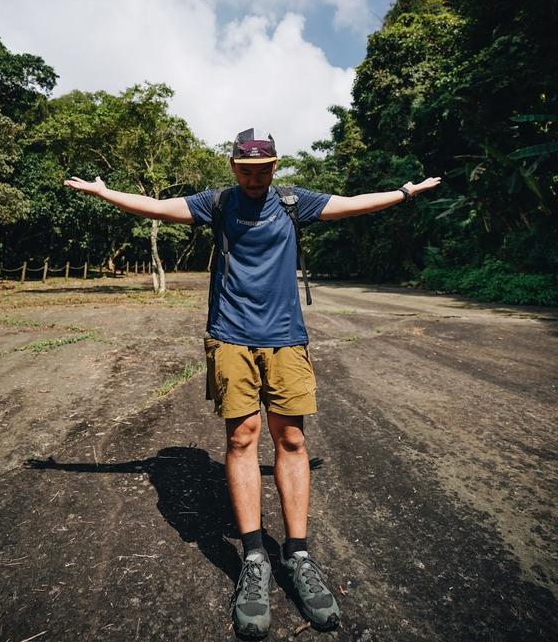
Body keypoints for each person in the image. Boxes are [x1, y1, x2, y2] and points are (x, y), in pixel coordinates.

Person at [65, 127, 441, 639]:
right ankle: (255, 557)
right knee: (241, 439)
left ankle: (299, 556)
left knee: (291, 439)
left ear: (275, 167)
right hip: (230, 339)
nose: (255, 176)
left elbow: (353, 204)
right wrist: (106, 193)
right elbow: (157, 207)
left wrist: (404, 192)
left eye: (263, 168)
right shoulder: (216, 203)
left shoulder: (294, 202)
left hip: (286, 339)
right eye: (246, 168)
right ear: (233, 167)